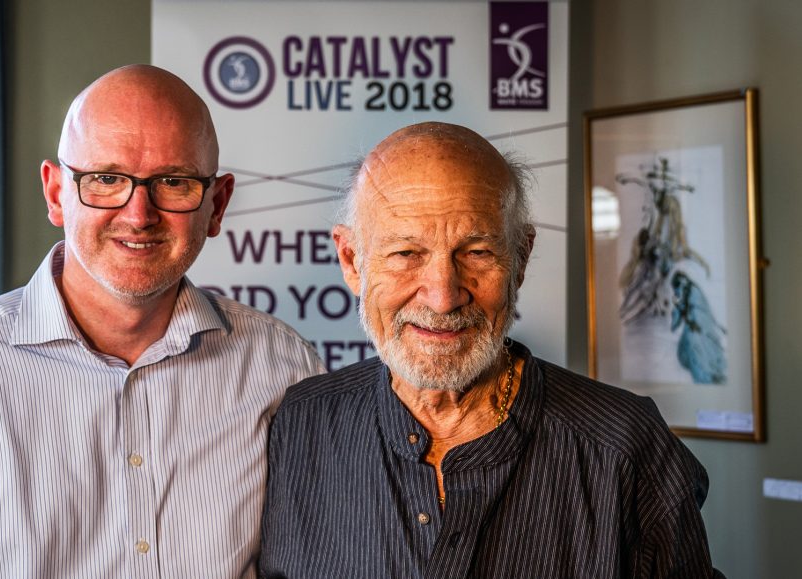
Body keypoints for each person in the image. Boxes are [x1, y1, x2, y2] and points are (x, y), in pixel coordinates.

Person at [0, 65, 324, 578]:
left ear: (217, 204)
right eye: (105, 178)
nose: (139, 213)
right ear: (56, 193)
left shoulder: (283, 367)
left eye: (173, 181)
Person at [259, 122, 723, 578]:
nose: (442, 295)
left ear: (519, 259)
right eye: (405, 254)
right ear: (351, 260)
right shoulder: (301, 424)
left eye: (477, 252)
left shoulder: (624, 446)